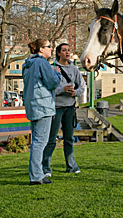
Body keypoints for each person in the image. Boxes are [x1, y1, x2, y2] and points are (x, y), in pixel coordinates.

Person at [22, 39, 61, 185]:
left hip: (33, 106)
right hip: (43, 106)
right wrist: (56, 73)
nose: (51, 49)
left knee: (37, 142)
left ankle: (36, 174)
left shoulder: (27, 65)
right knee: (40, 142)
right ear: (41, 49)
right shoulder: (42, 63)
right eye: (49, 47)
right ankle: (36, 176)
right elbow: (52, 83)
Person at [42, 43, 85, 177]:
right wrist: (62, 90)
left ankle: (71, 166)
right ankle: (46, 168)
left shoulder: (74, 69)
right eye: (64, 50)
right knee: (51, 138)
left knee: (69, 138)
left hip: (70, 108)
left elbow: (82, 86)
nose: (67, 52)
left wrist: (75, 92)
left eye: (69, 50)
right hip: (56, 108)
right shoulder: (51, 68)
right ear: (58, 53)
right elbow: (47, 87)